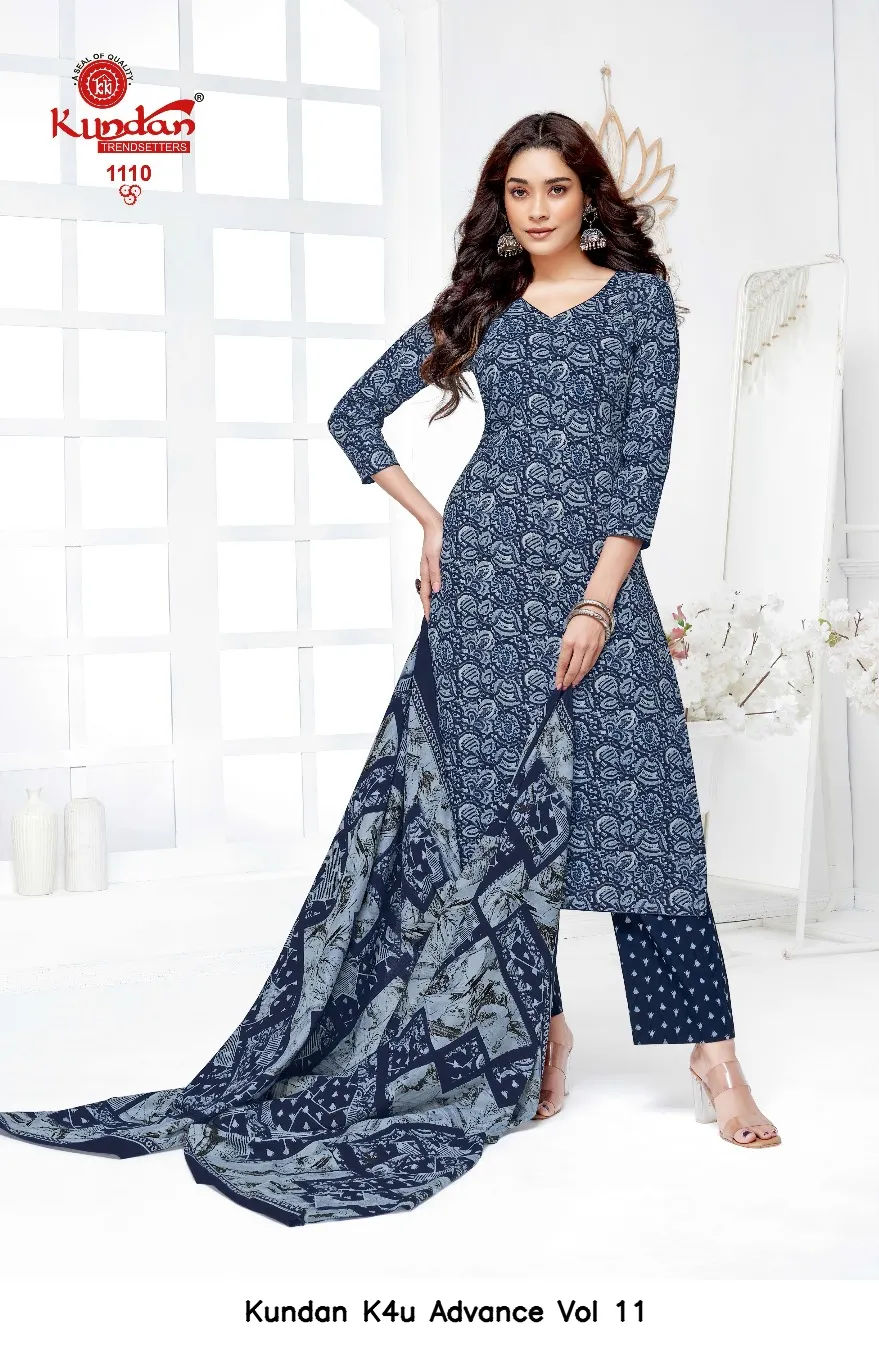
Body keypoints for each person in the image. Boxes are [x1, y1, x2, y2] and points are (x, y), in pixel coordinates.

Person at [0, 112, 777, 1230]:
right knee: (499, 838)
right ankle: (539, 1036)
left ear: (590, 198)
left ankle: (716, 1061)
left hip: (592, 585)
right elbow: (354, 416)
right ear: (500, 205)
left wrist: (601, 600)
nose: (537, 210)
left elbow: (638, 466)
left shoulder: (640, 305)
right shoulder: (486, 306)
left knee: (647, 823)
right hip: (482, 596)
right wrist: (432, 523)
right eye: (518, 192)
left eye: (556, 189)